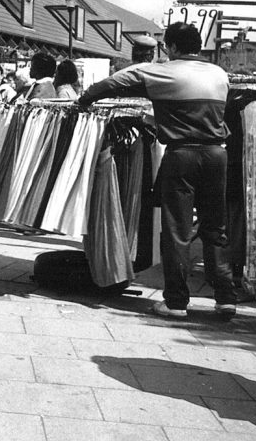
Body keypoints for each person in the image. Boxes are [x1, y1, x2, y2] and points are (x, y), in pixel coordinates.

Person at [78, 22, 236, 319]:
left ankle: (176, 302)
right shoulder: (219, 73)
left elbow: (115, 82)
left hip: (182, 154)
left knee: (177, 230)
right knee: (216, 229)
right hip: (217, 155)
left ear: (172, 47)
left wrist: (85, 99)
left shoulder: (164, 70)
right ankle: (226, 297)